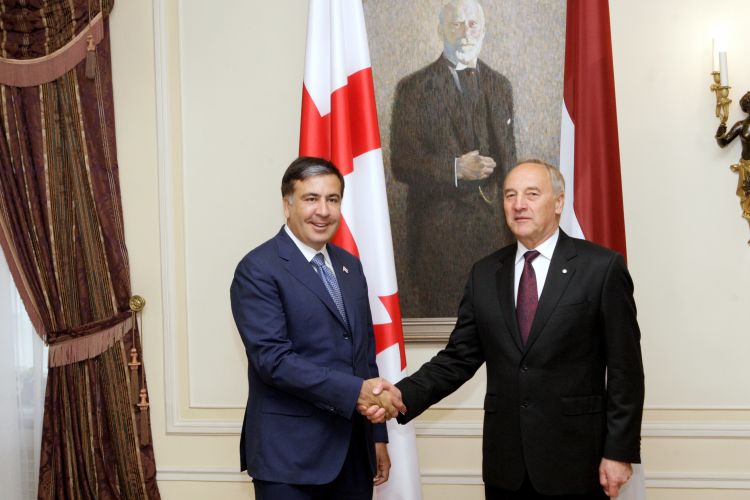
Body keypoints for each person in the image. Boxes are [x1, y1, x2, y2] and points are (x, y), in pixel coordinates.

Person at [366, 160, 645, 498]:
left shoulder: (601, 268)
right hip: (506, 467)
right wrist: (401, 394)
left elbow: (625, 370)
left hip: (576, 462)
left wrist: (618, 451)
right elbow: (458, 358)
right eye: (510, 195)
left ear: (558, 202)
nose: (518, 204)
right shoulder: (485, 273)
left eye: (532, 194)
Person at [230, 157, 405, 500]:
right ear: (287, 205)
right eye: (311, 199)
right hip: (289, 460)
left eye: (332, 199)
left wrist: (376, 436)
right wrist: (356, 392)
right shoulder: (258, 269)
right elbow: (273, 361)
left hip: (353, 454)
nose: (323, 211)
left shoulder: (349, 266)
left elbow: (364, 356)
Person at [390, 0, 516, 317]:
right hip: (438, 239)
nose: (465, 33)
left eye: (472, 24)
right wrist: (456, 169)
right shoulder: (413, 88)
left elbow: (509, 163)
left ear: (483, 30)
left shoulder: (500, 85)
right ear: (440, 30)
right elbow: (402, 162)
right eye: (456, 24)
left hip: (494, 237)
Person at [716, 91, 750, 225]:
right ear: (746, 107)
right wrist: (720, 131)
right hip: (747, 167)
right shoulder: (741, 125)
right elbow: (723, 143)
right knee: (747, 197)